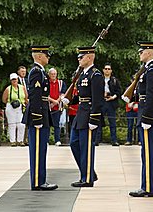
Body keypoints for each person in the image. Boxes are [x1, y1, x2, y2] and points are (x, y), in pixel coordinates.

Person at [64, 46, 104, 187]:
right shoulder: (83, 74)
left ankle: (87, 179)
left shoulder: (96, 75)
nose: (79, 59)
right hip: (80, 113)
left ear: (89, 57)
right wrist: (70, 100)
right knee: (74, 143)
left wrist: (94, 119)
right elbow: (82, 96)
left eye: (81, 57)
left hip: (88, 116)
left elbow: (98, 99)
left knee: (86, 147)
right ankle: (89, 172)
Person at [129, 41, 153, 198]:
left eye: (142, 51)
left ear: (149, 52)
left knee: (149, 153)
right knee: (145, 153)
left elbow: (152, 96)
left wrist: (147, 118)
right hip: (144, 112)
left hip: (149, 116)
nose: (140, 53)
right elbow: (143, 94)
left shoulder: (152, 70)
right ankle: (145, 185)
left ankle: (148, 188)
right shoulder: (147, 70)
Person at [23, 45, 58, 191]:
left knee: (42, 149)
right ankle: (38, 181)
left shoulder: (41, 72)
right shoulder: (36, 72)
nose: (47, 57)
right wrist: (37, 118)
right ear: (38, 56)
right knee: (37, 149)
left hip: (43, 113)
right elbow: (35, 96)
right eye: (45, 55)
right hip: (38, 115)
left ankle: (41, 179)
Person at [96, 63, 121, 146]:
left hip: (111, 103)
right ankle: (97, 140)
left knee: (112, 122)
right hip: (101, 102)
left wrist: (112, 97)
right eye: (106, 69)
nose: (107, 70)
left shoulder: (114, 80)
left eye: (109, 69)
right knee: (98, 121)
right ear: (103, 70)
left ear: (111, 70)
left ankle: (114, 140)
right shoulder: (99, 79)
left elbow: (118, 92)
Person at [2, 73, 26, 147]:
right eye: (13, 79)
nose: (14, 81)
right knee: (12, 124)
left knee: (21, 124)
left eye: (15, 79)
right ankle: (12, 141)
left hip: (20, 106)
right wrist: (11, 103)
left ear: (17, 79)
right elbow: (4, 99)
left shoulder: (22, 87)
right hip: (11, 106)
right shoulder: (8, 88)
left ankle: (20, 140)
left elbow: (26, 97)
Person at [48, 67, 67, 146]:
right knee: (47, 125)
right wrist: (52, 101)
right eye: (52, 74)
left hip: (57, 107)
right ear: (49, 75)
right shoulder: (46, 83)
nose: (53, 75)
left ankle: (57, 140)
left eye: (54, 74)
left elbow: (63, 94)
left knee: (57, 125)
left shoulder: (61, 83)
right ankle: (46, 141)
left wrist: (56, 102)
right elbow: (45, 94)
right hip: (48, 106)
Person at [125, 78, 141, 146]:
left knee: (139, 125)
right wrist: (129, 103)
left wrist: (137, 103)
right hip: (130, 108)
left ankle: (140, 140)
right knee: (129, 125)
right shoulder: (128, 88)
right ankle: (129, 140)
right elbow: (125, 97)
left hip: (138, 108)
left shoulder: (140, 87)